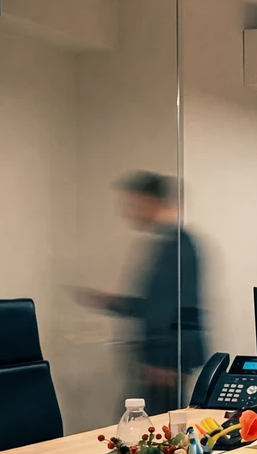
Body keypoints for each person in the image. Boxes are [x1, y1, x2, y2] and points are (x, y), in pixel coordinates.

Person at [78, 172, 205, 412]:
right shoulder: (166, 244)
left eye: (133, 203)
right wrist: (111, 302)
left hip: (165, 368)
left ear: (151, 202)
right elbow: (156, 304)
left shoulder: (180, 246)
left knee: (151, 428)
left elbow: (183, 309)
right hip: (156, 363)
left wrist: (167, 363)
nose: (128, 211)